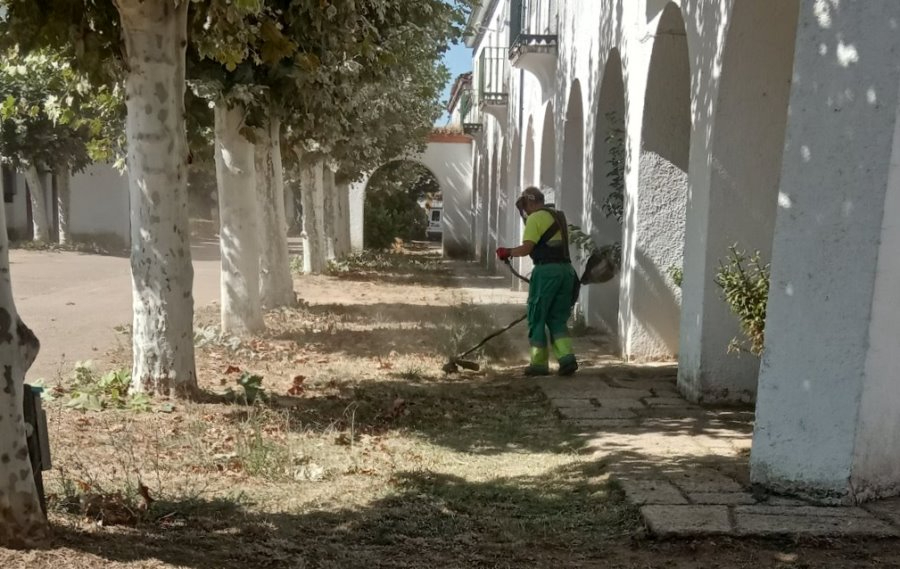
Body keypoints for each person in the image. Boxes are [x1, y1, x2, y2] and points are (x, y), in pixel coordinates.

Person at [496, 187, 578, 377]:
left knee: (537, 316)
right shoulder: (557, 216)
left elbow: (526, 248)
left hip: (546, 272)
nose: (525, 212)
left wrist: (507, 252)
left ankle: (539, 364)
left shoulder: (535, 218)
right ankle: (567, 359)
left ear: (530, 203)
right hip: (566, 271)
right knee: (557, 318)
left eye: (524, 207)